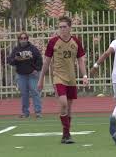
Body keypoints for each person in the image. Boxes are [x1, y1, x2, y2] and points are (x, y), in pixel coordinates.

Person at [37, 16, 88, 144]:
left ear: (70, 27)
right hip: (58, 77)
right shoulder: (53, 42)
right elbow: (47, 62)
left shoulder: (75, 41)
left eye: (64, 27)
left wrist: (85, 76)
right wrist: (41, 79)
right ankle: (66, 134)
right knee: (64, 103)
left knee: (69, 107)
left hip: (71, 78)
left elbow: (80, 60)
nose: (62, 29)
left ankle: (66, 134)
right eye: (60, 27)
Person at [8, 32, 43, 118]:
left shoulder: (33, 48)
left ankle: (38, 112)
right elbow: (10, 61)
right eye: (21, 38)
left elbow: (39, 59)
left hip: (32, 74)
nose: (23, 40)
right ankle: (25, 112)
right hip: (21, 75)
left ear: (27, 39)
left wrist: (36, 69)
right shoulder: (16, 49)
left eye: (25, 38)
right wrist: (15, 59)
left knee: (35, 92)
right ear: (19, 40)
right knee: (24, 94)